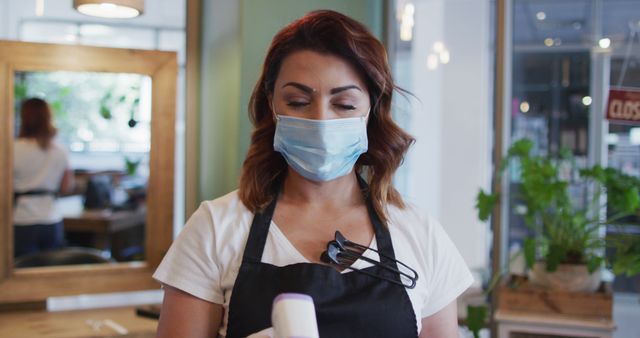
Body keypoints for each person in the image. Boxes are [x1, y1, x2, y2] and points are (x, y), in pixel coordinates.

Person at [154, 10, 473, 338]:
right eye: (298, 101)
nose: (321, 120)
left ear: (371, 112)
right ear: (272, 106)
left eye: (345, 105)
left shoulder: (421, 235)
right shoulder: (215, 229)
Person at [13, 97, 74, 257]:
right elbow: (66, 186)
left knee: (21, 276)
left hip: (21, 221)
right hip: (51, 221)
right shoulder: (60, 151)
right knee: (48, 274)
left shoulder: (12, 149)